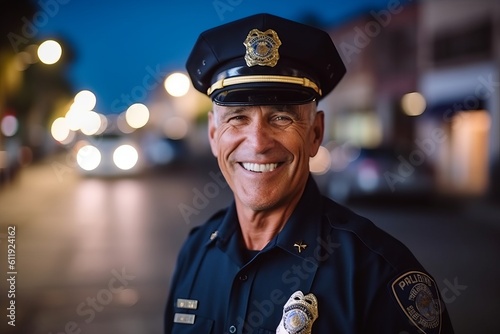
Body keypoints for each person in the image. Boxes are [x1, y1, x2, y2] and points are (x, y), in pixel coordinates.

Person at [164, 13, 454, 334]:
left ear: (315, 134)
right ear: (213, 135)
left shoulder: (378, 274)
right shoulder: (195, 252)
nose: (258, 143)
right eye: (237, 118)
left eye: (281, 118)